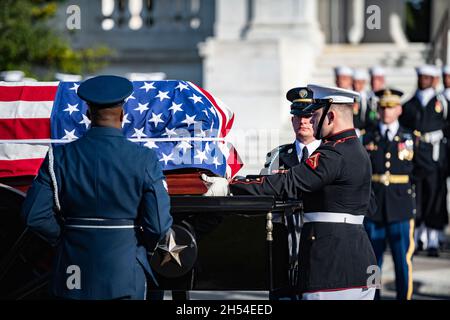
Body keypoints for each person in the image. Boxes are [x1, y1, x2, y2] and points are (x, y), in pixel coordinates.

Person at [202, 84, 377, 300]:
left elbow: (288, 182)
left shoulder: (334, 153)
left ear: (330, 116)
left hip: (332, 264)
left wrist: (231, 186)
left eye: (315, 116)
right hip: (359, 264)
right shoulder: (355, 149)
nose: (310, 121)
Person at [21, 75, 173, 299]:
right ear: (123, 114)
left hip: (73, 269)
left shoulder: (59, 156)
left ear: (87, 114)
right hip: (123, 271)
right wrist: (144, 246)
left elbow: (34, 214)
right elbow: (159, 226)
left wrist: (65, 237)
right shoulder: (144, 158)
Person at [261, 87, 321, 300]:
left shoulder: (330, 156)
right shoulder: (277, 155)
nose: (303, 121)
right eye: (298, 116)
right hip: (284, 240)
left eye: (308, 115)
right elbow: (265, 197)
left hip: (319, 239)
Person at [363, 88, 415, 300]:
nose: (386, 111)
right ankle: (372, 297)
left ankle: (404, 297)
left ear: (399, 109)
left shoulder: (410, 138)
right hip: (374, 208)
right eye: (383, 107)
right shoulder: (368, 137)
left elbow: (419, 172)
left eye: (391, 106)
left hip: (400, 207)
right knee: (372, 262)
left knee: (402, 260)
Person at [400, 65, 449, 257]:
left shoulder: (442, 102)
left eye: (428, 78)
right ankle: (418, 238)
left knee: (434, 197)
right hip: (416, 157)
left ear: (435, 80)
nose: (423, 80)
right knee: (417, 198)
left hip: (436, 156)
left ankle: (433, 239)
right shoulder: (410, 104)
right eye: (421, 77)